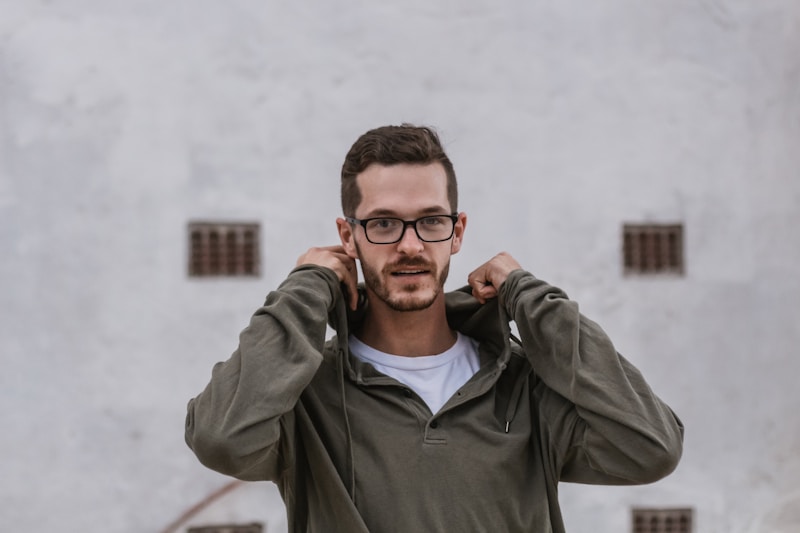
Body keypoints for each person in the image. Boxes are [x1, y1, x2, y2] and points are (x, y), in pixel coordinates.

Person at [185, 124, 684, 532]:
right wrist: (307, 287)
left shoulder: (523, 385)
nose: (409, 245)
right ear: (348, 237)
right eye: (383, 223)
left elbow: (652, 447)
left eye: (430, 221)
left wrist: (531, 296)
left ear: (457, 231)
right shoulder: (302, 394)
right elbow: (221, 438)